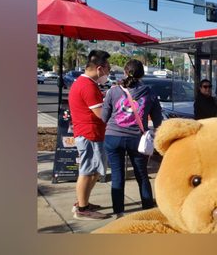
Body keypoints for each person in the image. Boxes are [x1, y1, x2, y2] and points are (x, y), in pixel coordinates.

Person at [101, 59, 163, 218]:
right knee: (142, 175)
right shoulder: (150, 92)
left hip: (113, 137)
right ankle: (148, 210)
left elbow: (104, 117)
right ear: (142, 74)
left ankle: (119, 213)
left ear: (124, 72)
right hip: (137, 139)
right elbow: (158, 120)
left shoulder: (113, 91)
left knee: (117, 175)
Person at [68, 49, 111, 220]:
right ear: (99, 68)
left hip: (89, 133)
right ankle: (82, 208)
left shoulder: (83, 83)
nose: (108, 72)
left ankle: (82, 202)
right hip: (90, 134)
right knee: (88, 172)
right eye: (107, 68)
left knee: (93, 171)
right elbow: (102, 114)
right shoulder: (88, 86)